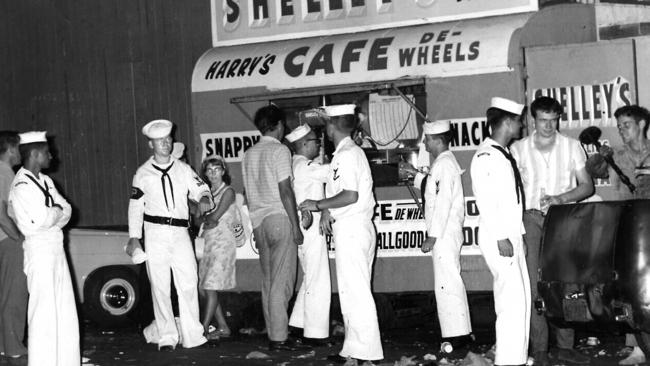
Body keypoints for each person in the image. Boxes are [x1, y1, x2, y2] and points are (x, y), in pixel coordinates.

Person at [510, 96, 593, 366]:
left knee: (568, 283)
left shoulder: (571, 146)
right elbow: (513, 191)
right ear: (532, 120)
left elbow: (586, 186)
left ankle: (566, 347)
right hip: (531, 219)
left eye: (553, 120)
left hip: (563, 219)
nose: (549, 125)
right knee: (535, 285)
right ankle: (541, 350)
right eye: (543, 120)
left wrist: (561, 198)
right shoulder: (518, 149)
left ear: (559, 118)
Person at [299, 104, 384, 364]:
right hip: (350, 227)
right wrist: (328, 212)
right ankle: (353, 350)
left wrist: (318, 205)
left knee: (356, 292)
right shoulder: (345, 153)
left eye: (326, 123)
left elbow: (350, 195)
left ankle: (366, 354)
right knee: (351, 291)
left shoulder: (347, 154)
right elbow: (344, 191)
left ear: (333, 126)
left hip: (353, 230)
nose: (325, 128)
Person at [127, 119, 212, 351]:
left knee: (188, 281)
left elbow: (201, 187)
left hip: (180, 232)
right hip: (154, 233)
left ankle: (194, 335)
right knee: (160, 285)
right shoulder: (142, 173)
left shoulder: (182, 169)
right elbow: (135, 207)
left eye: (168, 139)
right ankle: (166, 337)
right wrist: (134, 236)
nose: (165, 144)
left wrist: (204, 197)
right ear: (150, 145)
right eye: (160, 141)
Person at [586, 105, 650, 365]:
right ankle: (637, 348)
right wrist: (599, 157)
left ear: (642, 125)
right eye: (619, 126)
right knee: (631, 290)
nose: (622, 130)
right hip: (629, 230)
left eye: (627, 125)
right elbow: (594, 171)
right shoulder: (617, 156)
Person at [8, 131, 79, 366]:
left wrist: (55, 213)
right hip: (39, 253)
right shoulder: (21, 185)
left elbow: (67, 210)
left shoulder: (46, 181)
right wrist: (56, 212)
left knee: (64, 310)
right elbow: (41, 219)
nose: (52, 156)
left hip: (56, 249)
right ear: (36, 154)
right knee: (44, 313)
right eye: (48, 152)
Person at [470, 97, 530, 366]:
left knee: (522, 300)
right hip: (498, 234)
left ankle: (515, 357)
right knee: (510, 302)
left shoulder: (502, 153)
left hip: (509, 233)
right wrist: (502, 236)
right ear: (507, 122)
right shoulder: (486, 156)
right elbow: (486, 199)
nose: (522, 125)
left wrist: (520, 234)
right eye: (519, 120)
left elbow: (512, 200)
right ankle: (508, 361)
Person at [402, 120, 472, 351]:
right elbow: (433, 187)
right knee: (450, 281)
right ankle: (460, 332)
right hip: (445, 231)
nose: (425, 143)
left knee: (447, 283)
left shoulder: (444, 164)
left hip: (443, 233)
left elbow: (442, 203)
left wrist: (432, 236)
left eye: (428, 139)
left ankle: (456, 335)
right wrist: (415, 175)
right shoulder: (443, 164)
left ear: (438, 140)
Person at [242, 104, 305, 351]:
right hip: (279, 218)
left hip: (259, 222)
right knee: (283, 281)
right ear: (279, 125)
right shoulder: (280, 151)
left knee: (269, 282)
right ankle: (280, 338)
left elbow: (247, 194)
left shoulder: (249, 153)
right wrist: (296, 225)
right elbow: (285, 191)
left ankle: (273, 333)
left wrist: (254, 226)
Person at [285, 125, 332, 346]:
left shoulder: (294, 164)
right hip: (310, 226)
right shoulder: (306, 166)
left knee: (309, 275)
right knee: (318, 277)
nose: (318, 145)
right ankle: (315, 333)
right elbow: (332, 173)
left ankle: (298, 322)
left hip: (302, 225)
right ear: (304, 144)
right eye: (315, 141)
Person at [197, 155, 237, 341]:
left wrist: (206, 217)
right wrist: (205, 218)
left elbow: (212, 218)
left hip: (222, 244)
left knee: (210, 287)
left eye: (217, 169)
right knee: (204, 288)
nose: (213, 174)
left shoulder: (228, 192)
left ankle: (202, 330)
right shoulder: (205, 193)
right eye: (209, 170)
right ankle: (223, 326)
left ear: (223, 171)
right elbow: (199, 218)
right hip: (207, 243)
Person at [0, 131, 27, 361]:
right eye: (18, 149)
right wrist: (18, 239)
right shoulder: (4, 173)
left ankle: (4, 345)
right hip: (8, 241)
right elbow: (1, 214)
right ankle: (14, 347)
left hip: (5, 240)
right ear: (10, 150)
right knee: (15, 296)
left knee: (5, 295)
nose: (20, 153)